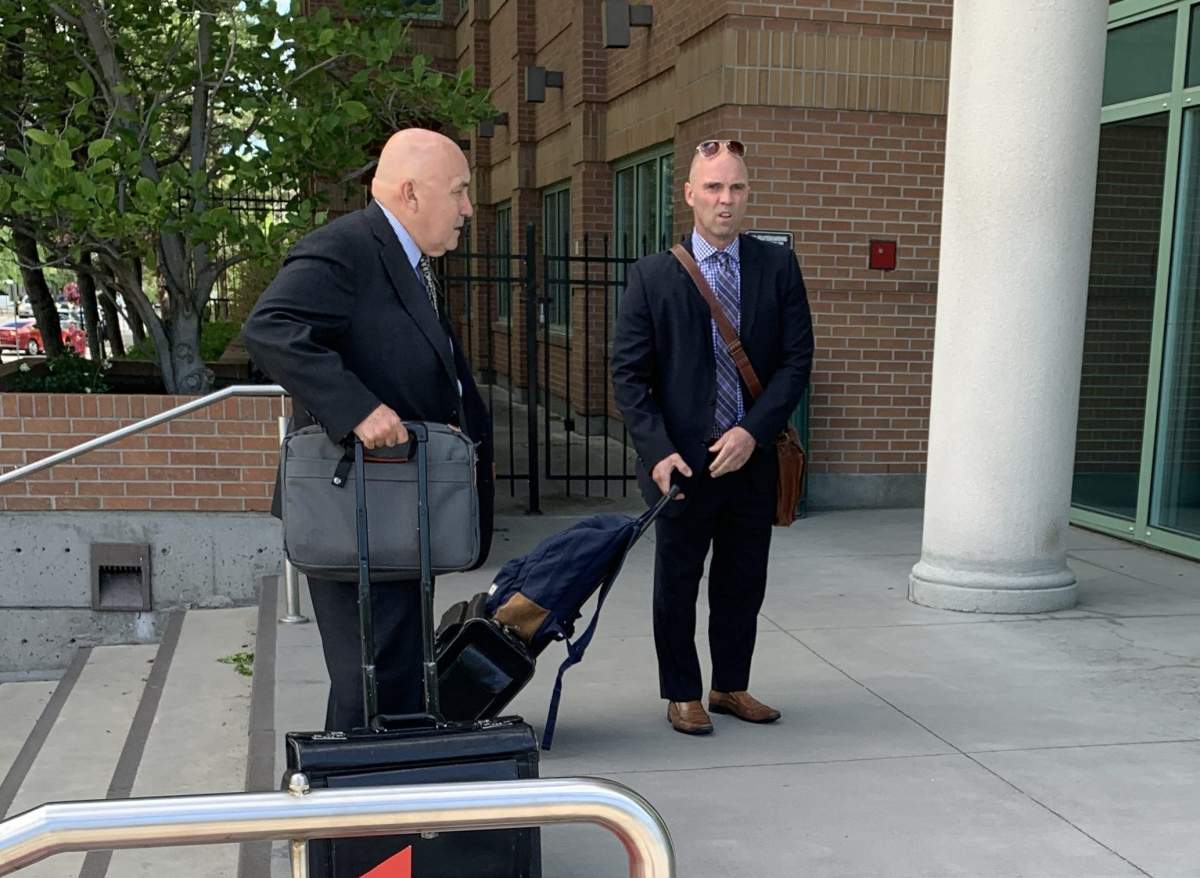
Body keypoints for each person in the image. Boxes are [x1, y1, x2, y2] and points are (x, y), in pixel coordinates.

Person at [244, 128, 494, 731]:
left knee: (392, 677)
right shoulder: (348, 248)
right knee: (373, 684)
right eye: (459, 192)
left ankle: (365, 817)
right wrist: (355, 408)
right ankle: (352, 820)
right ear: (411, 193)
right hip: (355, 510)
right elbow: (271, 327)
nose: (467, 208)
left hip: (396, 509)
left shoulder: (411, 261)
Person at [611, 139, 813, 735]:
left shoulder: (777, 266)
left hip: (750, 460)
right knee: (676, 583)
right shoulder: (652, 276)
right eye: (715, 188)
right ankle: (682, 693)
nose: (726, 200)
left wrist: (754, 431)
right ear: (690, 195)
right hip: (681, 464)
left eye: (737, 188)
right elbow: (628, 374)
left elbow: (797, 361)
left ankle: (730, 685)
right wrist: (658, 450)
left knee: (742, 580)